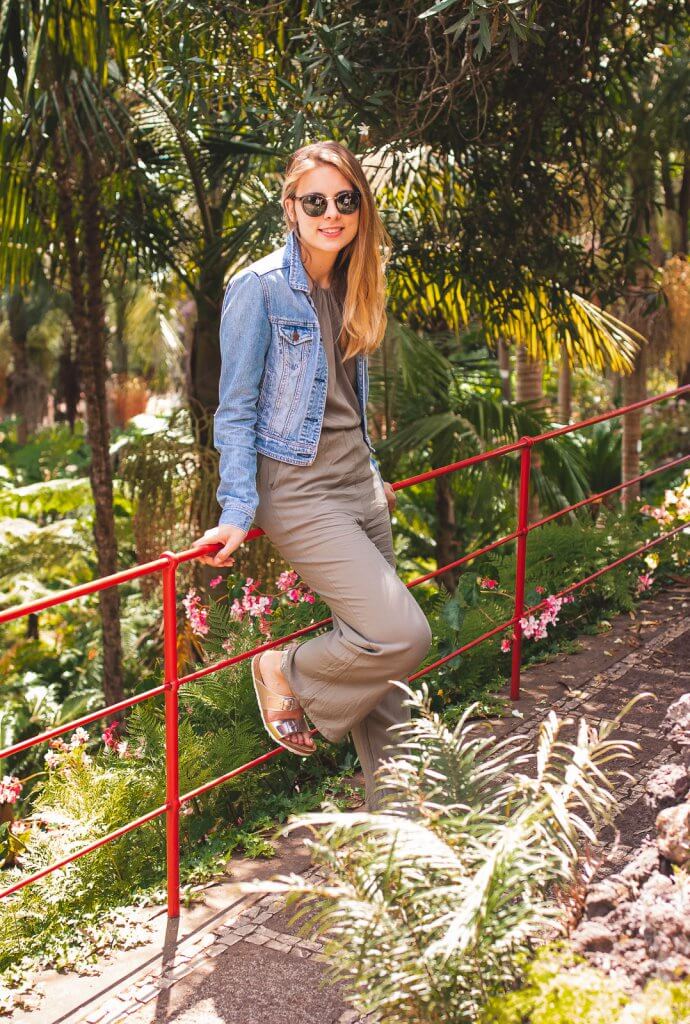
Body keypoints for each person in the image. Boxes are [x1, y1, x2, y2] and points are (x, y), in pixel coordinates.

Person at [192, 140, 432, 811]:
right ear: (291, 207)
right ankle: (281, 668)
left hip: (358, 483)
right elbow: (235, 410)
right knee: (400, 634)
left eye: (345, 200)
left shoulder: (351, 281)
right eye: (315, 201)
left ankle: (404, 827)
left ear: (361, 207)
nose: (332, 213)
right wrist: (237, 510)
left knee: (386, 675)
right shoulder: (259, 288)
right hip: (297, 489)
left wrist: (371, 469)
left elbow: (347, 402)